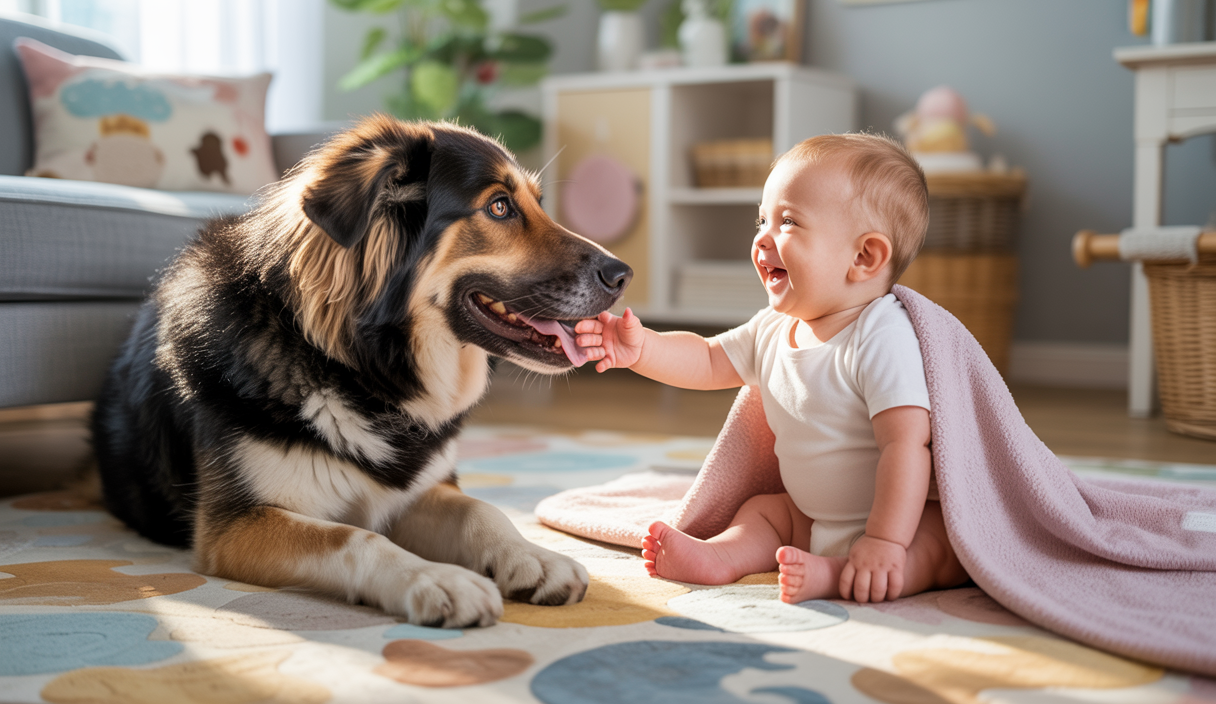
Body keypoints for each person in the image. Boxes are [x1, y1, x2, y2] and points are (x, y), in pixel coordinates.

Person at [571, 133, 969, 604]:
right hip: (808, 516)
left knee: (936, 547)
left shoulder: (882, 335)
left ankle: (837, 574)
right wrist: (642, 350)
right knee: (762, 511)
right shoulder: (775, 328)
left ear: (864, 257)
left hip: (899, 519)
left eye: (788, 222)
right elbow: (708, 358)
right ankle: (722, 556)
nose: (762, 237)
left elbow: (906, 445)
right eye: (762, 219)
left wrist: (883, 540)